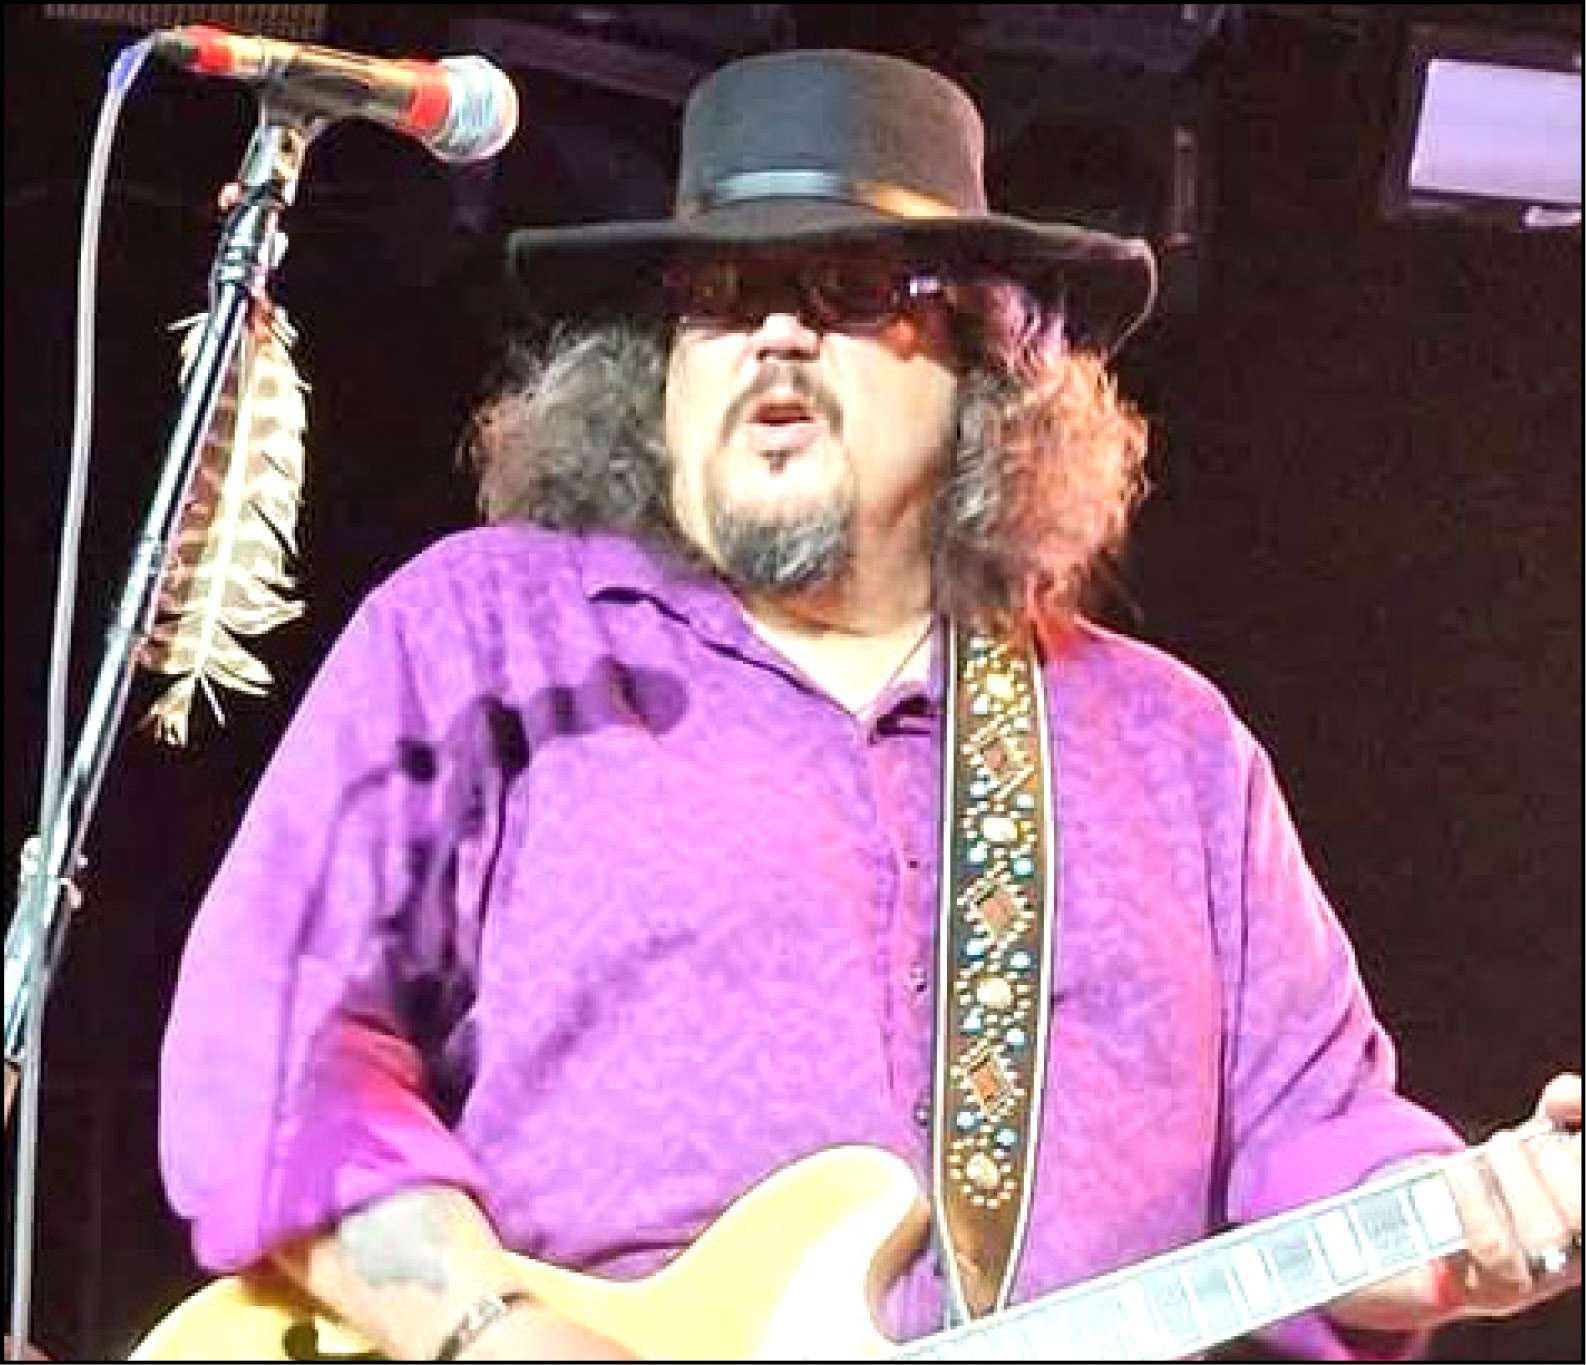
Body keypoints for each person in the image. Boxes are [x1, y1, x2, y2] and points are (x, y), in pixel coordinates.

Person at [155, 48, 1580, 1361]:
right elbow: (276, 1055)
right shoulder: (487, 635)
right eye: (716, 296)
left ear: (983, 365)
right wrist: (490, 1330)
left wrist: (1468, 1221)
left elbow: (1312, 1133)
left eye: (848, 289)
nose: (774, 334)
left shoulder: (1168, 744)